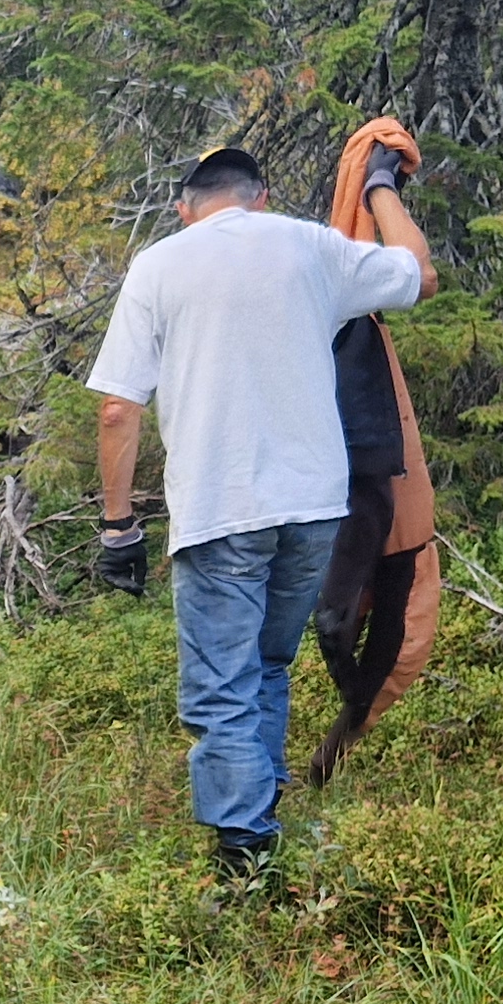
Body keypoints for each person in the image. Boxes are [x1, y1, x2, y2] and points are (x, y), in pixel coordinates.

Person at [85, 144, 433, 880]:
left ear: (185, 208)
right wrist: (377, 188)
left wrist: (119, 527)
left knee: (221, 682)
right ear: (261, 199)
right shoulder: (311, 247)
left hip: (221, 505)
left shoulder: (160, 264)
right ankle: (264, 804)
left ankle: (245, 854)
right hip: (313, 507)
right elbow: (418, 271)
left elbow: (119, 409)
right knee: (268, 662)